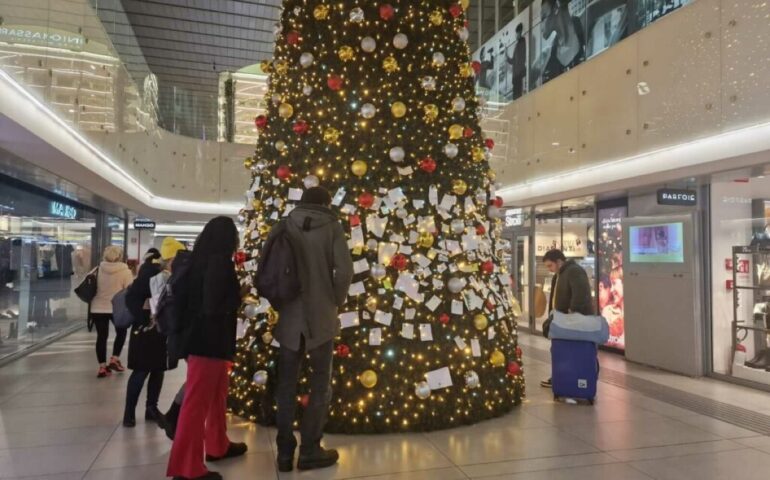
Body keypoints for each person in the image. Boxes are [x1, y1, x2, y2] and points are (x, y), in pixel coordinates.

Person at [271, 187, 354, 472]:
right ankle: (309, 450)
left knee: (286, 384)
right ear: (326, 203)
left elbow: (268, 263)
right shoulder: (332, 226)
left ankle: (284, 452)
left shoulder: (284, 224)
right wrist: (335, 300)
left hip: (290, 317)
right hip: (320, 317)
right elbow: (344, 271)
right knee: (320, 382)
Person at [167, 217, 247, 480]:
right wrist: (238, 297)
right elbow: (214, 304)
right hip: (208, 342)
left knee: (216, 396)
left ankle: (217, 445)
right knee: (196, 403)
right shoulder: (218, 263)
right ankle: (186, 467)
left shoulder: (197, 261)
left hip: (202, 341)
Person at [123, 248, 167, 428]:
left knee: (143, 371)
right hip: (154, 330)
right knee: (154, 370)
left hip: (144, 330)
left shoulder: (141, 279)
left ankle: (130, 413)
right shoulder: (157, 278)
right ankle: (150, 408)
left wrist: (142, 320)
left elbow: (131, 301)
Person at [150, 237, 187, 440]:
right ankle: (173, 414)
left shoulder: (161, 279)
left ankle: (172, 414)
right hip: (174, 333)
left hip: (170, 333)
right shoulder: (169, 280)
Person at [541, 249, 593, 388]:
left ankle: (570, 379)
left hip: (571, 322)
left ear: (559, 262)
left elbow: (581, 294)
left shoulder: (574, 271)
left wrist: (573, 312)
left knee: (571, 352)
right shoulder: (557, 276)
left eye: (550, 266)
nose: (549, 269)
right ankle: (559, 377)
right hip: (561, 321)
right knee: (560, 351)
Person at [90, 246, 133, 378]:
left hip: (97, 307)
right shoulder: (125, 271)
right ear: (120, 256)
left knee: (101, 337)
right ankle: (114, 358)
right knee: (121, 332)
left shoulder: (97, 269)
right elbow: (129, 290)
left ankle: (102, 367)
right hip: (117, 308)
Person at [506, 23, 527, 99]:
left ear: (520, 32)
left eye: (517, 33)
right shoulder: (518, 45)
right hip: (516, 74)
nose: (516, 35)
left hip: (519, 73)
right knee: (516, 94)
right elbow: (513, 61)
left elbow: (518, 60)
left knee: (518, 94)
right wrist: (507, 57)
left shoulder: (522, 43)